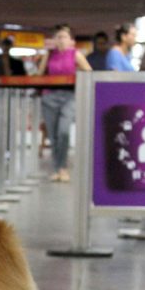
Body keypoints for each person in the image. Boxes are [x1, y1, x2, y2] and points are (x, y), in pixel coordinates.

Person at [36, 24, 92, 182]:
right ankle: (57, 168)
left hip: (69, 96)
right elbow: (39, 75)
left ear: (71, 41)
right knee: (53, 136)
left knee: (63, 132)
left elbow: (89, 73)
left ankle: (63, 167)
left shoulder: (76, 55)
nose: (61, 40)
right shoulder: (49, 55)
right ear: (54, 40)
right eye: (58, 37)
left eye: (64, 37)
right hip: (49, 97)